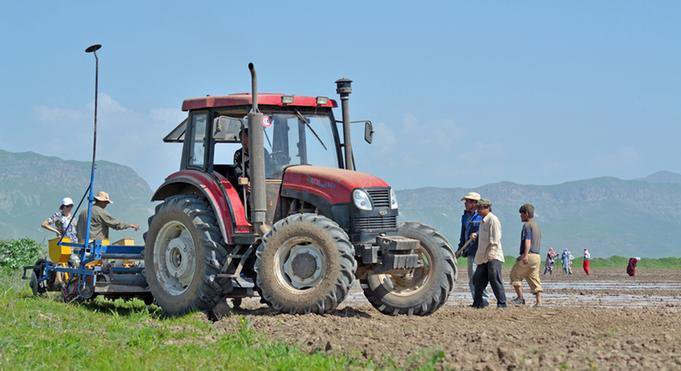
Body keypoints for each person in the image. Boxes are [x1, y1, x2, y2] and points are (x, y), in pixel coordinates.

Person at [455, 192, 489, 306]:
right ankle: (477, 300)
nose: (465, 203)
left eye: (468, 201)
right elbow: (463, 234)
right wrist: (460, 249)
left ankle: (483, 300)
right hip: (470, 251)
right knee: (472, 277)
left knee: (479, 277)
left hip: (481, 250)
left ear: (474, 203)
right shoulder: (465, 217)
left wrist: (477, 234)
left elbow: (486, 231)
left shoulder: (482, 216)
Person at [471, 199, 507, 308]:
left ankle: (502, 304)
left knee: (495, 279)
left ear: (487, 208)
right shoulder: (483, 221)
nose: (478, 211)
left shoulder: (493, 220)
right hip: (482, 257)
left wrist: (491, 255)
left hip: (492, 256)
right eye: (478, 208)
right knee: (477, 279)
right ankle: (478, 303)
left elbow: (495, 239)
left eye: (480, 209)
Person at [509, 203, 543, 307]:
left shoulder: (527, 225)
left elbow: (527, 240)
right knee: (533, 278)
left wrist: (525, 255)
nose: (520, 216)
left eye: (521, 214)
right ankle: (539, 302)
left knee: (514, 274)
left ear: (526, 214)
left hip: (530, 255)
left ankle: (520, 298)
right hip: (537, 256)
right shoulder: (537, 226)